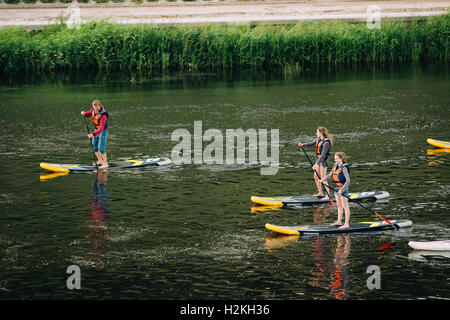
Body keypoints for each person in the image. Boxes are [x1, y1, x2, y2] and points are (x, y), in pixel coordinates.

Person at [298, 126, 333, 198]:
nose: (316, 133)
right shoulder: (318, 139)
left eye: (317, 132)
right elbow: (311, 143)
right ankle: (320, 193)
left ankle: (328, 195)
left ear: (320, 132)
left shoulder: (326, 142)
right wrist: (303, 144)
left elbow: (323, 155)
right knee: (316, 177)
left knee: (323, 178)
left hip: (323, 162)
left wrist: (317, 164)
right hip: (318, 160)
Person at [320, 152, 351, 229]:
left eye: (337, 159)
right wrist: (323, 179)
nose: (335, 160)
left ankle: (346, 223)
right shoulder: (335, 166)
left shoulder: (344, 167)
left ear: (341, 158)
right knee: (339, 205)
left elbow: (348, 181)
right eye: (335, 159)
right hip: (336, 188)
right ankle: (339, 221)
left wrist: (342, 190)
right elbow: (330, 175)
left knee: (345, 206)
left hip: (343, 189)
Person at [81, 100, 109, 169]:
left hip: (103, 131)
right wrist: (84, 113)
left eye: (96, 108)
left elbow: (101, 128)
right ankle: (100, 161)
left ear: (99, 106)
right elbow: (88, 114)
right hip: (96, 130)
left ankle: (105, 163)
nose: (95, 109)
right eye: (94, 107)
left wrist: (92, 134)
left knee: (101, 148)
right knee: (94, 147)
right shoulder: (93, 109)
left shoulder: (103, 115)